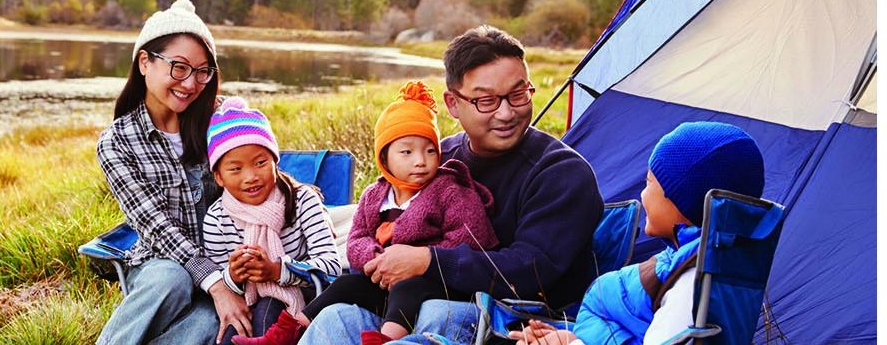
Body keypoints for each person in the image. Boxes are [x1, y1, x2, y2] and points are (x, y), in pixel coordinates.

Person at [298, 25, 604, 345]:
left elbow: (533, 271)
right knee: (336, 318)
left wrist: (428, 260)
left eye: (518, 94)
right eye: (486, 100)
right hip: (405, 303)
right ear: (453, 103)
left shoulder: (560, 173)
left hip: (514, 320)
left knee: (440, 313)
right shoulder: (437, 159)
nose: (506, 112)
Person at [234, 80, 499, 345]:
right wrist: (376, 258)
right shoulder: (376, 195)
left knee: (408, 287)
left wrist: (422, 258)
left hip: (432, 283)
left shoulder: (449, 189)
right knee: (344, 285)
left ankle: (384, 340)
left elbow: (473, 238)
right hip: (384, 281)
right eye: (407, 152)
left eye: (430, 150)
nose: (420, 160)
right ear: (384, 158)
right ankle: (284, 333)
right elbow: (357, 237)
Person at [508, 121, 766, 345]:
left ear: (682, 203)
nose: (642, 194)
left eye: (649, 183)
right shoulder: (694, 258)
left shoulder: (690, 285)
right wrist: (572, 337)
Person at [96, 0, 246, 345]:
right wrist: (213, 281)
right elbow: (156, 226)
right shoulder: (117, 143)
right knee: (172, 277)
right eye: (179, 68)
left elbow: (259, 173)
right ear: (145, 62)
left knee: (218, 322)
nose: (191, 83)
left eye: (203, 71)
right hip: (159, 265)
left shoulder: (222, 121)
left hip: (227, 263)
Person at [201, 97, 341, 345]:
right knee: (232, 333)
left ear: (275, 161)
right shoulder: (217, 219)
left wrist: (277, 270)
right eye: (236, 169)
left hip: (305, 298)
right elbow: (223, 287)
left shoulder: (302, 201)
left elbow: (331, 268)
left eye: (260, 163)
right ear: (219, 177)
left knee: (269, 307)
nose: (251, 177)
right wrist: (234, 274)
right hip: (247, 300)